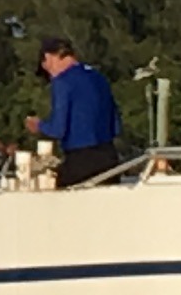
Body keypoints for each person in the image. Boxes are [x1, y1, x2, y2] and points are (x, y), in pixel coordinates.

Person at [28, 35, 125, 187]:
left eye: (47, 72)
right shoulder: (99, 78)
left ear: (48, 58)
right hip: (109, 157)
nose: (50, 77)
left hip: (81, 160)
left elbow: (58, 130)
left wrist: (39, 125)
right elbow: (116, 125)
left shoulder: (63, 82)